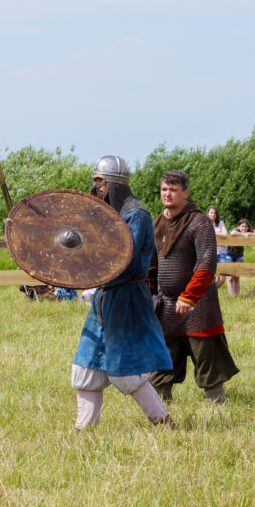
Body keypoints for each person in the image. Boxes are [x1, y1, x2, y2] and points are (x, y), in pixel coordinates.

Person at [71, 156, 174, 430]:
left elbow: (119, 255)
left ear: (114, 184)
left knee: (129, 369)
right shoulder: (108, 214)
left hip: (127, 299)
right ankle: (84, 430)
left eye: (101, 183)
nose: (97, 188)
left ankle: (162, 422)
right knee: (87, 363)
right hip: (105, 300)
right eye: (95, 182)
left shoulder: (135, 215)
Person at [149, 170, 240, 404]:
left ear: (185, 192)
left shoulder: (198, 222)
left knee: (208, 359)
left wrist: (190, 297)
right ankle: (161, 406)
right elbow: (150, 267)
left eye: (173, 189)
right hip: (166, 307)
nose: (168, 194)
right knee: (162, 364)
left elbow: (207, 262)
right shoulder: (157, 223)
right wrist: (148, 296)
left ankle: (216, 406)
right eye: (164, 189)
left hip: (197, 306)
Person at [207, 206, 229, 290]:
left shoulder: (220, 223)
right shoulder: (205, 223)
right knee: (211, 278)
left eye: (215, 213)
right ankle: (210, 295)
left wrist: (214, 233)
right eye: (211, 212)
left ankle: (211, 291)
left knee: (222, 279)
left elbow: (225, 234)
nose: (213, 214)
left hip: (222, 253)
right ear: (208, 213)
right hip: (210, 253)